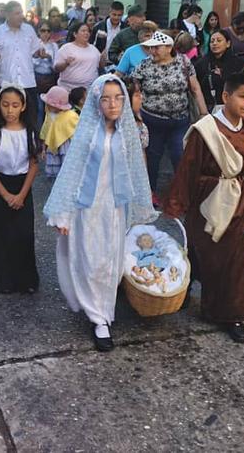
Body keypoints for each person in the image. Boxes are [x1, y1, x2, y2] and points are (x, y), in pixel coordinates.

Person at [44, 75, 156, 352]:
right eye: (106, 98)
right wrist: (64, 214)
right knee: (91, 260)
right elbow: (72, 173)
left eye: (118, 98)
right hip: (87, 208)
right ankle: (98, 318)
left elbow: (134, 169)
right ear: (96, 102)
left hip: (114, 207)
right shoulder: (86, 135)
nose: (113, 104)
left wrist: (137, 202)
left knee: (111, 261)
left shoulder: (127, 134)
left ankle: (105, 308)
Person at [163, 73, 244, 343]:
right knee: (203, 248)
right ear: (226, 97)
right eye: (243, 96)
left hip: (237, 203)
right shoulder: (207, 129)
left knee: (232, 260)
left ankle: (231, 313)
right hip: (207, 200)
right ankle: (190, 290)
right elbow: (188, 168)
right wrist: (176, 203)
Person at [131, 31, 209, 200]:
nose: (153, 52)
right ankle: (149, 193)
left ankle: (181, 193)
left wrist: (204, 114)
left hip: (179, 120)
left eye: (156, 48)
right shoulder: (144, 65)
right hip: (152, 120)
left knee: (180, 156)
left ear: (169, 47)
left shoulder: (183, 61)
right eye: (150, 48)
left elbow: (195, 88)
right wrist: (136, 116)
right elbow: (135, 91)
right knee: (152, 158)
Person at [0, 84, 40, 294]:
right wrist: (6, 194)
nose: (10, 110)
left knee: (23, 232)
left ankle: (25, 279)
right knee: (3, 230)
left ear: (23, 106)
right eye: (5, 105)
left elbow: (34, 165)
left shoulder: (30, 133)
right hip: (0, 186)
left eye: (15, 105)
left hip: (22, 185)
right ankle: (3, 277)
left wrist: (22, 194)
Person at [0, 1, 41, 125]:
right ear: (8, 15)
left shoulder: (29, 30)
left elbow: (36, 50)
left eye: (21, 12)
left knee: (30, 120)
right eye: (17, 13)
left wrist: (40, 53)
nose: (21, 16)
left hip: (27, 82)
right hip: (6, 82)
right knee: (5, 121)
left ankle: (29, 144)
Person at [195, 28, 244, 111]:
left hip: (233, 107)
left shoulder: (238, 63)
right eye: (212, 41)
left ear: (228, 43)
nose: (215, 43)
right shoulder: (202, 63)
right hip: (207, 108)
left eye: (219, 41)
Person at [39, 86, 79, 178]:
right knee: (55, 166)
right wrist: (44, 148)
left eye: (49, 104)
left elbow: (76, 132)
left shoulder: (71, 116)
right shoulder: (49, 114)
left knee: (67, 167)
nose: (47, 105)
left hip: (67, 145)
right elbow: (46, 130)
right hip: (52, 145)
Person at [54, 23, 102, 92]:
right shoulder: (66, 48)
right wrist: (66, 63)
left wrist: (103, 58)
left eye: (88, 31)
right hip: (68, 89)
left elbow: (100, 66)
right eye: (83, 31)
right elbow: (56, 68)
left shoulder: (94, 49)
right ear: (75, 34)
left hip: (89, 88)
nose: (86, 33)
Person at [33, 23, 58, 125]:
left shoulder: (54, 46)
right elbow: (30, 65)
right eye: (43, 30)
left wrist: (49, 58)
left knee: (49, 107)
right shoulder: (34, 45)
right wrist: (39, 57)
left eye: (48, 31)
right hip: (37, 77)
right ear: (39, 31)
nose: (46, 33)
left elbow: (56, 65)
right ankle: (38, 131)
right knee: (38, 107)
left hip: (50, 78)